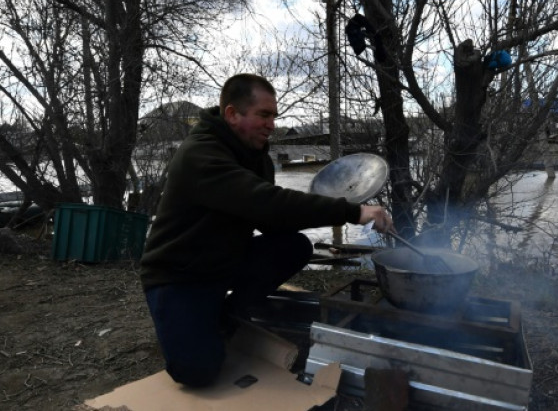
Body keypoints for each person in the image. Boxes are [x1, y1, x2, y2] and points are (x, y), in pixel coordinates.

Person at [140, 73, 393, 388]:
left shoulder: (256, 155)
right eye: (263, 115)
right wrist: (352, 212)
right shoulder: (201, 155)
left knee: (295, 245)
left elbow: (272, 222)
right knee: (198, 373)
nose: (271, 124)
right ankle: (196, 322)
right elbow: (266, 202)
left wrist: (324, 203)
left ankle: (227, 313)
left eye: (273, 115)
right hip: (179, 277)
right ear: (232, 114)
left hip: (222, 263)